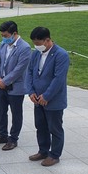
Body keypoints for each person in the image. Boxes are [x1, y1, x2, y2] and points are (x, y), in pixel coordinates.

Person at [25, 26, 69, 166]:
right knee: (40, 126)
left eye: (38, 43)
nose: (36, 46)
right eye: (34, 44)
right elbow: (30, 72)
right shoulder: (36, 53)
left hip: (53, 100)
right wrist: (31, 92)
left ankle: (54, 155)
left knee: (54, 128)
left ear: (48, 40)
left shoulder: (61, 55)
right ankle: (43, 150)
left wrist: (47, 96)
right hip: (37, 99)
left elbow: (58, 79)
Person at [0, 21, 31, 151]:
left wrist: (5, 81)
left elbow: (19, 69)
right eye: (2, 35)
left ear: (14, 34)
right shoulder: (3, 44)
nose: (3, 38)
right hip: (1, 84)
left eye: (5, 35)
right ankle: (2, 135)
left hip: (15, 87)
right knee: (1, 111)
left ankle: (13, 139)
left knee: (16, 114)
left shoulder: (25, 48)